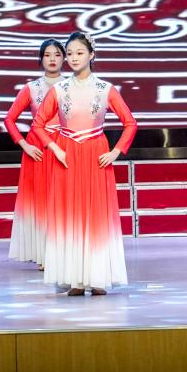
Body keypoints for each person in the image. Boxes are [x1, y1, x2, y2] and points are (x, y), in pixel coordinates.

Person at [32, 31, 137, 296]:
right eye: (70, 53)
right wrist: (55, 147)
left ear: (92, 55)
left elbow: (130, 123)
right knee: (69, 215)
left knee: (95, 215)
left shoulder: (105, 89)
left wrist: (116, 152)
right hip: (67, 156)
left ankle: (97, 277)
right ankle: (75, 280)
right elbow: (38, 124)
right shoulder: (59, 89)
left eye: (79, 53)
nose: (73, 58)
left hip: (95, 155)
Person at [3, 39, 64, 267]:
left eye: (57, 55)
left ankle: (64, 252)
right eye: (47, 55)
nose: (52, 59)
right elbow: (9, 119)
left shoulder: (71, 86)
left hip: (64, 148)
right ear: (41, 59)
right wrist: (25, 145)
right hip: (37, 150)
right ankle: (44, 254)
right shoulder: (31, 88)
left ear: (64, 58)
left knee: (63, 200)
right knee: (42, 201)